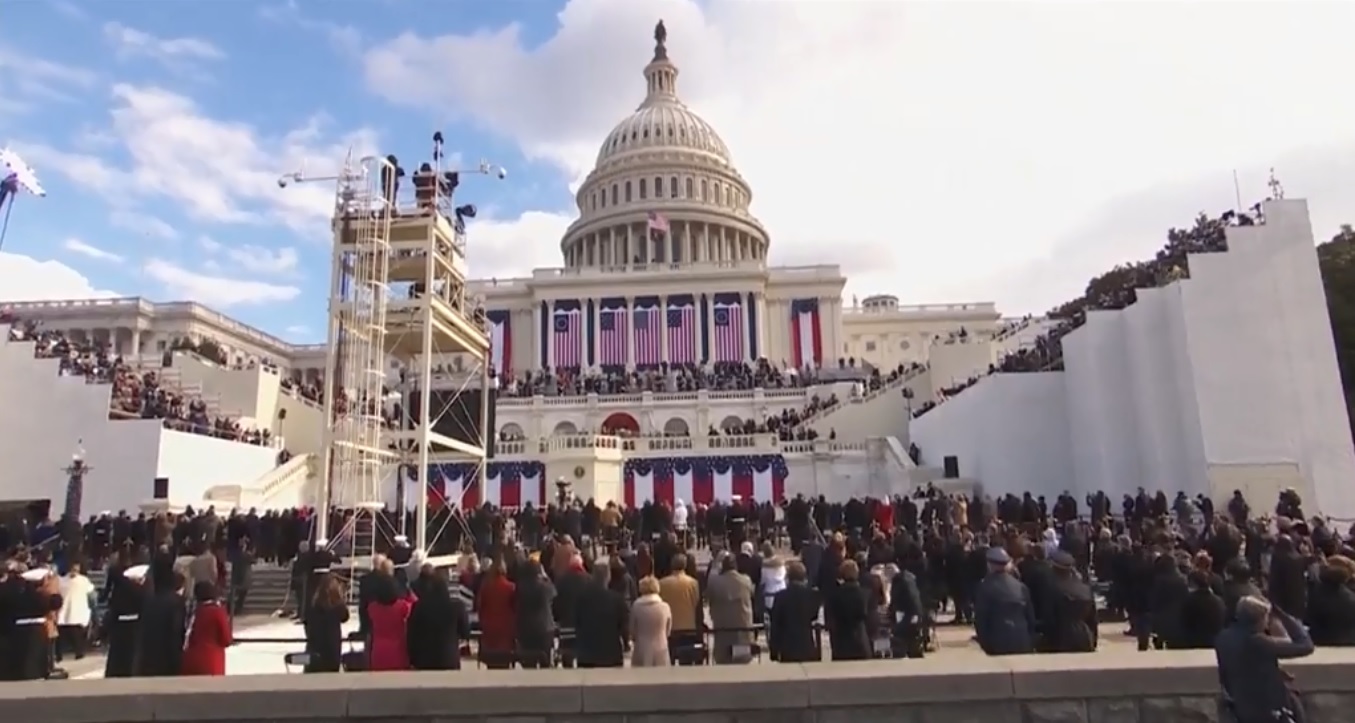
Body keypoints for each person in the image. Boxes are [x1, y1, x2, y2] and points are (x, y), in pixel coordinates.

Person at [1216, 595, 1313, 723]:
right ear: (1261, 619)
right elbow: (1305, 646)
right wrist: (1283, 615)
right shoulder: (1258, 642)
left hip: (1240, 707)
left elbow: (1242, 666)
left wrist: (1275, 671)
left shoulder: (1223, 637)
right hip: (1266, 709)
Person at [406, 565, 472, 671]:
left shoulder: (419, 606)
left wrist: (412, 657)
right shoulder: (456, 606)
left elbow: (411, 633)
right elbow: (465, 632)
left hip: (425, 659)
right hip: (449, 657)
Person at [973, 547, 1035, 656]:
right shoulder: (1021, 586)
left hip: (997, 641)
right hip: (1022, 639)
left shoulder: (985, 587)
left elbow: (981, 619)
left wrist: (985, 644)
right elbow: (1030, 618)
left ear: (989, 565)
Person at [573, 562, 628, 668]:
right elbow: (624, 627)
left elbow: (576, 622)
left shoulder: (581, 598)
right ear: (608, 577)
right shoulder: (617, 600)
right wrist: (626, 644)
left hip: (586, 654)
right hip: (611, 654)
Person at [1040, 551, 1097, 653]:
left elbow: (1049, 619)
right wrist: (1093, 640)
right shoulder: (1085, 589)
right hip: (1084, 636)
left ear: (1053, 568)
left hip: (1060, 638)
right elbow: (1093, 620)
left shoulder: (1052, 590)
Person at [135, 571, 188, 677]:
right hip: (167, 656)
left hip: (148, 656)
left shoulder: (149, 600)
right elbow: (176, 631)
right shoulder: (177, 602)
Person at [707, 554, 755, 664]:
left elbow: (708, 593)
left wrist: (715, 566)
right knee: (742, 662)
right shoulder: (746, 580)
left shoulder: (715, 582)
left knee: (724, 663)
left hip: (723, 632)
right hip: (743, 632)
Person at [770, 560, 821, 663]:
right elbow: (814, 617)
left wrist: (774, 650)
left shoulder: (780, 596)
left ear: (788, 578)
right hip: (806, 644)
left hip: (787, 646)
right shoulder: (812, 595)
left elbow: (775, 624)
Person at [103, 563, 148, 678]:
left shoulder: (119, 591)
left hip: (119, 625)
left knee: (118, 653)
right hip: (135, 625)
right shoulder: (141, 591)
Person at [366, 572, 414, 671]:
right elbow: (416, 605)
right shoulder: (403, 606)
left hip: (378, 650)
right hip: (398, 649)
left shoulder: (372, 607)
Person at [824, 559, 871, 660]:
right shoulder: (865, 594)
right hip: (860, 640)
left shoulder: (834, 595)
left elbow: (830, 621)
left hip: (841, 643)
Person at [181, 581, 231, 676]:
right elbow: (226, 639)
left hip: (190, 658)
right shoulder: (217, 612)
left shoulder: (194, 611)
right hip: (211, 659)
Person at [303, 573, 349, 673]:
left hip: (315, 650)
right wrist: (340, 598)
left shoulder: (314, 607)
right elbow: (345, 617)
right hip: (331, 652)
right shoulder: (336, 608)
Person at [476, 558, 517, 669]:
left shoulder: (486, 587)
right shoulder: (511, 587)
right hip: (506, 627)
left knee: (492, 662)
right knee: (504, 660)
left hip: (489, 627)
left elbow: (480, 607)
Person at [57, 563, 95, 663]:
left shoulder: (63, 581)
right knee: (70, 634)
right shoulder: (64, 581)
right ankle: (62, 654)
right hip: (70, 611)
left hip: (73, 611)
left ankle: (75, 652)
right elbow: (92, 595)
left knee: (73, 634)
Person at [629, 576, 671, 667]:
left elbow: (632, 629)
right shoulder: (665, 607)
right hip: (661, 647)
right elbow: (668, 629)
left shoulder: (636, 607)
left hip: (641, 648)